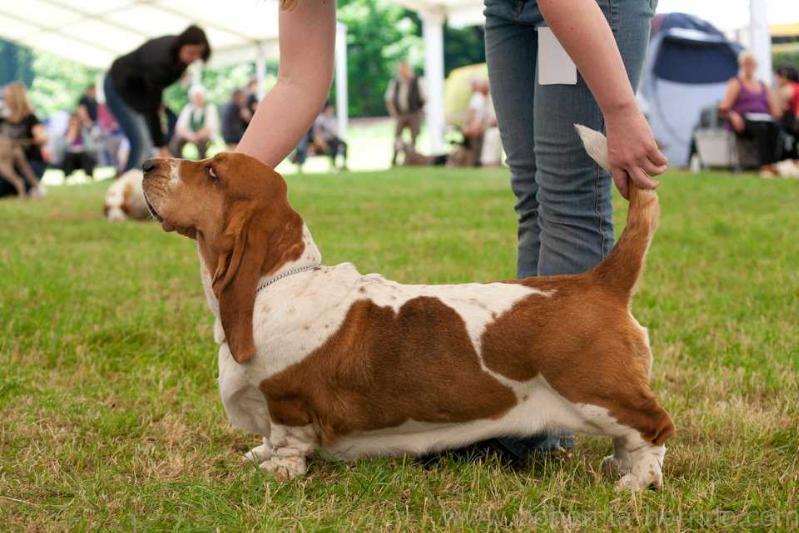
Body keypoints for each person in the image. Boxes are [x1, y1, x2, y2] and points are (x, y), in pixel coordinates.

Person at [235, 0, 666, 461]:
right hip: (509, 8)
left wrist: (620, 110)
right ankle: (526, 415)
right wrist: (222, 185)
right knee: (533, 196)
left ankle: (555, 416)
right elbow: (297, 79)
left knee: (568, 198)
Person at [104, 25, 211, 173]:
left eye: (198, 54)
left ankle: (137, 180)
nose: (194, 58)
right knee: (141, 141)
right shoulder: (160, 59)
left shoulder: (176, 56)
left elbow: (154, 96)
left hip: (140, 90)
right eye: (191, 52)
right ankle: (126, 186)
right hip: (118, 85)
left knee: (159, 128)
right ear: (181, 46)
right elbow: (152, 106)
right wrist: (160, 145)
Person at [719, 51, 782, 168]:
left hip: (763, 119)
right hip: (743, 121)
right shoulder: (736, 83)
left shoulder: (764, 85)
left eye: (751, 64)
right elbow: (724, 108)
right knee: (761, 129)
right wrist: (734, 116)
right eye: (746, 64)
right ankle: (765, 165)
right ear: (741, 65)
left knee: (775, 127)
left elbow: (775, 111)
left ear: (756, 66)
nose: (748, 66)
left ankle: (773, 163)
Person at [0, 82, 47, 192]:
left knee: (20, 182)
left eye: (6, 96)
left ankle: (31, 186)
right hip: (8, 164)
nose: (4, 99)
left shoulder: (31, 119)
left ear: (15, 98)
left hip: (31, 162)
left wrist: (38, 139)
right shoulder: (3, 120)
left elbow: (42, 138)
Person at [385, 61, 426, 166]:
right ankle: (395, 159)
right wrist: (393, 113)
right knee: (397, 136)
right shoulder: (396, 83)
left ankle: (411, 159)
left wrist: (420, 112)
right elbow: (389, 99)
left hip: (414, 113)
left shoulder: (417, 81)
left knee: (414, 137)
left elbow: (424, 98)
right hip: (401, 114)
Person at [170, 85, 219, 159]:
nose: (197, 99)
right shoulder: (188, 108)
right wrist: (190, 135)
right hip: (189, 135)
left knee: (203, 143)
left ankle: (201, 164)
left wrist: (197, 136)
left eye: (199, 96)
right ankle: (180, 162)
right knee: (175, 143)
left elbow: (210, 127)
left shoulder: (210, 108)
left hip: (203, 136)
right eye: (195, 97)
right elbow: (180, 127)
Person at [313, 102, 348, 170]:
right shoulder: (320, 119)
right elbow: (316, 133)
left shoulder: (332, 119)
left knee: (344, 144)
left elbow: (335, 131)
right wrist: (321, 142)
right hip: (325, 140)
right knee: (333, 147)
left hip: (333, 138)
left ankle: (344, 164)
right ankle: (333, 164)